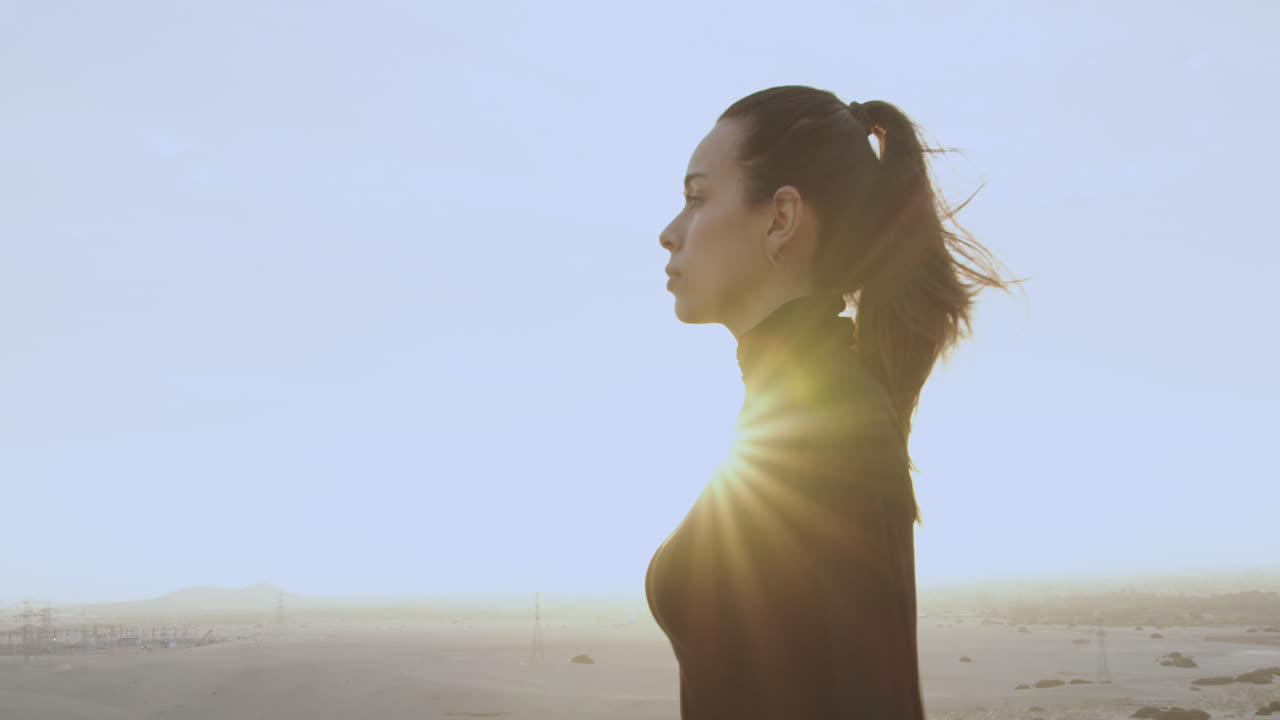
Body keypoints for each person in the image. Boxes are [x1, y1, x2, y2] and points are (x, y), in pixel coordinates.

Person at [646, 85, 1020, 719]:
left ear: (782, 218)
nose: (669, 233)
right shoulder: (796, 408)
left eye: (697, 198)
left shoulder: (829, 420)